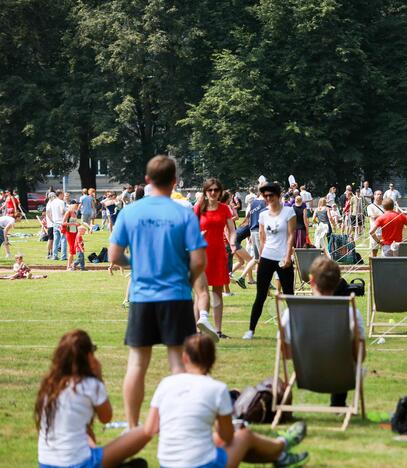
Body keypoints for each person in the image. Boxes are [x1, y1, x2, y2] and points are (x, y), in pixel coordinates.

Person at [108, 155, 209, 429]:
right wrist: (187, 281)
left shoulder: (130, 212)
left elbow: (114, 255)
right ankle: (179, 424)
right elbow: (200, 260)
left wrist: (136, 264)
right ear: (175, 181)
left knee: (137, 364)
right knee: (179, 365)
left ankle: (131, 426)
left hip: (142, 296)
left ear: (147, 180)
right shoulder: (184, 214)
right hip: (176, 296)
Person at [144, 334, 309, 468]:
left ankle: (280, 457)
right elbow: (228, 437)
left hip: (167, 463)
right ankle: (281, 446)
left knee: (227, 440)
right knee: (244, 437)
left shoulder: (166, 383)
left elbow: (151, 428)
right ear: (213, 360)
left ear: (185, 358)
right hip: (203, 464)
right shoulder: (217, 389)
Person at [35, 330, 150, 468]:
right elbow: (106, 417)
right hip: (80, 463)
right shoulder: (90, 385)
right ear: (89, 356)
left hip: (46, 463)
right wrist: (99, 377)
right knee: (146, 431)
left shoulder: (49, 385)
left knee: (85, 434)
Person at [280, 256, 365, 409]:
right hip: (341, 375)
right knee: (342, 357)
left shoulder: (292, 312)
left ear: (311, 281)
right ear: (338, 282)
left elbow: (285, 353)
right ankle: (338, 403)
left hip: (304, 373)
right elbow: (360, 355)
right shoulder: (351, 313)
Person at [244, 183, 296, 340]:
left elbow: (291, 235)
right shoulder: (263, 215)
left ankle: (293, 329)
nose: (268, 198)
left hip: (283, 258)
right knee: (260, 295)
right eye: (265, 196)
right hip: (267, 257)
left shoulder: (289, 211)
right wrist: (260, 258)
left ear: (278, 195)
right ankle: (251, 330)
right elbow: (261, 237)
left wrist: (288, 256)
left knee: (289, 295)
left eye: (271, 195)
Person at [194, 178, 238, 340]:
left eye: (216, 190)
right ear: (205, 191)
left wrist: (233, 241)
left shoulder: (225, 209)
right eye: (210, 190)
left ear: (220, 192)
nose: (213, 193)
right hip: (201, 254)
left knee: (217, 293)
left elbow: (232, 230)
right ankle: (197, 330)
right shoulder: (199, 208)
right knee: (200, 293)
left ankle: (218, 330)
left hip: (219, 254)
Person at [47, 190, 67, 261]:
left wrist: (52, 220)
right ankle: (63, 256)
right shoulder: (61, 202)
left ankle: (54, 256)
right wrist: (67, 212)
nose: (63, 196)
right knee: (63, 239)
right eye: (63, 194)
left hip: (55, 223)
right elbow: (62, 211)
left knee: (56, 240)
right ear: (60, 194)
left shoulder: (52, 202)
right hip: (61, 222)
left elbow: (48, 212)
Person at [62, 200, 81, 271]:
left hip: (75, 232)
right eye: (76, 205)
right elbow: (63, 223)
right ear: (72, 205)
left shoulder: (75, 212)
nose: (77, 206)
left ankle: (71, 265)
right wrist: (74, 224)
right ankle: (68, 266)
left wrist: (77, 224)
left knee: (74, 249)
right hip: (69, 232)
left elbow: (74, 222)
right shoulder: (68, 212)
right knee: (71, 249)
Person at [366, 191, 384, 257]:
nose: (379, 195)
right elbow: (373, 217)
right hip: (375, 232)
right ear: (374, 196)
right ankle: (372, 267)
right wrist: (385, 216)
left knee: (385, 252)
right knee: (374, 252)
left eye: (381, 194)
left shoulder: (385, 206)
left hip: (385, 232)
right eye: (377, 194)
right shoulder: (370, 206)